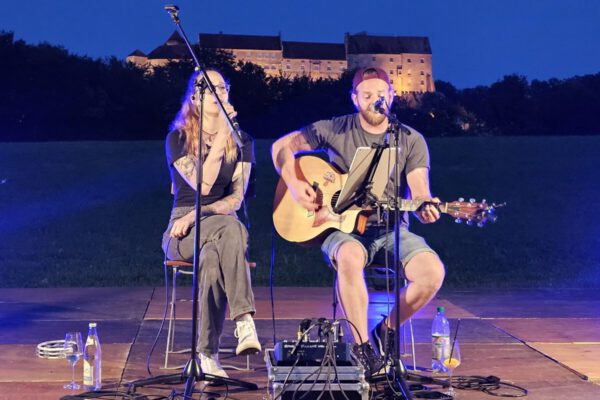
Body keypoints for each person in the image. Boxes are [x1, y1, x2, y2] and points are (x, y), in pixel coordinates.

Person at [271, 67, 445, 379]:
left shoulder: (410, 139)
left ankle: (386, 329)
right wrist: (296, 186)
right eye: (367, 95)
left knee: (432, 273)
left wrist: (426, 206)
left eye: (381, 95)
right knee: (350, 257)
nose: (375, 101)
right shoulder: (335, 129)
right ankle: (362, 347)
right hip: (342, 229)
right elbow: (280, 148)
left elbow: (420, 191)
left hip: (391, 230)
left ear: (392, 96)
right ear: (355, 99)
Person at [162, 69, 260, 379]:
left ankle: (207, 355)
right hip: (182, 228)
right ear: (195, 99)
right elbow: (202, 185)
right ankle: (243, 321)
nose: (219, 92)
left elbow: (236, 199)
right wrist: (221, 137)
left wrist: (200, 214)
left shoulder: (243, 141)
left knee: (214, 255)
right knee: (227, 230)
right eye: (211, 88)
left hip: (219, 225)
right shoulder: (178, 138)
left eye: (223, 87)